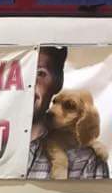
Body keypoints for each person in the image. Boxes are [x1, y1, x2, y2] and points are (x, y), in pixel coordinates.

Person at [27, 46, 109, 179]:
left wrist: (93, 143)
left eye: (69, 106)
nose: (52, 111)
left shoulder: (90, 159)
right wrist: (60, 162)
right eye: (55, 103)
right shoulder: (33, 145)